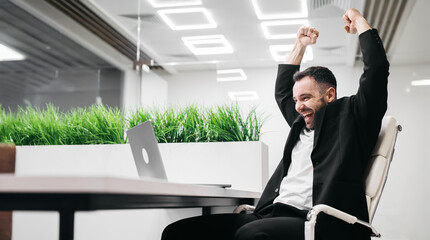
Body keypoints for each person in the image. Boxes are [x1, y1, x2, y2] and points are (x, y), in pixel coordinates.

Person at [161, 8, 389, 240]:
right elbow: (282, 91)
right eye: (296, 100)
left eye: (306, 98)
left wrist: (360, 21)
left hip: (316, 222)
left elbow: (377, 71)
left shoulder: (354, 117)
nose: (299, 106)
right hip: (270, 213)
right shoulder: (301, 123)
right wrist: (300, 45)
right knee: (177, 232)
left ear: (329, 95)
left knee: (250, 235)